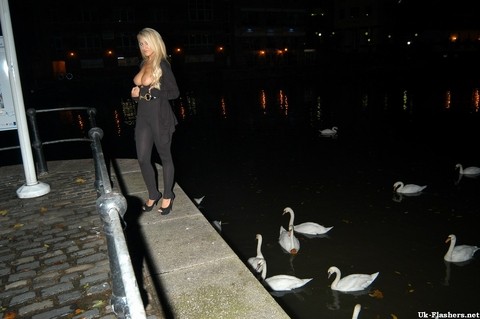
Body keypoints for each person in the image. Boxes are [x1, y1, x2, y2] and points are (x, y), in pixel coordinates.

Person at [131, 27, 180, 215]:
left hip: (160, 117)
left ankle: (168, 195)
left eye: (146, 43)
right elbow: (144, 91)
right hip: (143, 116)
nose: (144, 47)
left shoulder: (162, 64)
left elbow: (174, 92)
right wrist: (136, 96)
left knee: (165, 156)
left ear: (155, 42)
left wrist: (158, 93)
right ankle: (153, 193)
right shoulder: (143, 63)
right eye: (141, 44)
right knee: (143, 158)